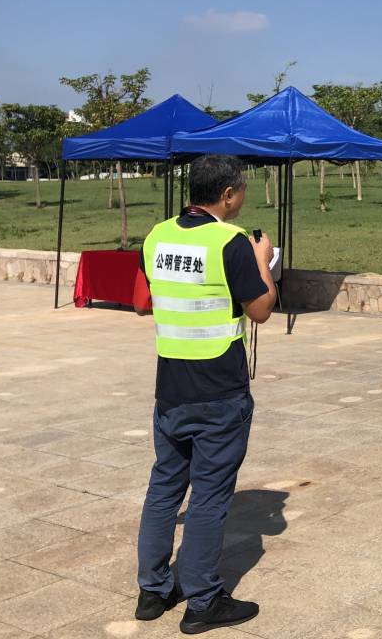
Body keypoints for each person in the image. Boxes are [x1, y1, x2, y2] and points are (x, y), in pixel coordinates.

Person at [133, 155, 275, 633]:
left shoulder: (156, 236)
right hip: (219, 391)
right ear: (228, 194)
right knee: (210, 496)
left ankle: (153, 590)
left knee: (164, 488)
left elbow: (145, 299)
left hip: (170, 389)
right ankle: (203, 599)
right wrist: (262, 261)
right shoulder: (231, 242)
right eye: (242, 189)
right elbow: (260, 310)